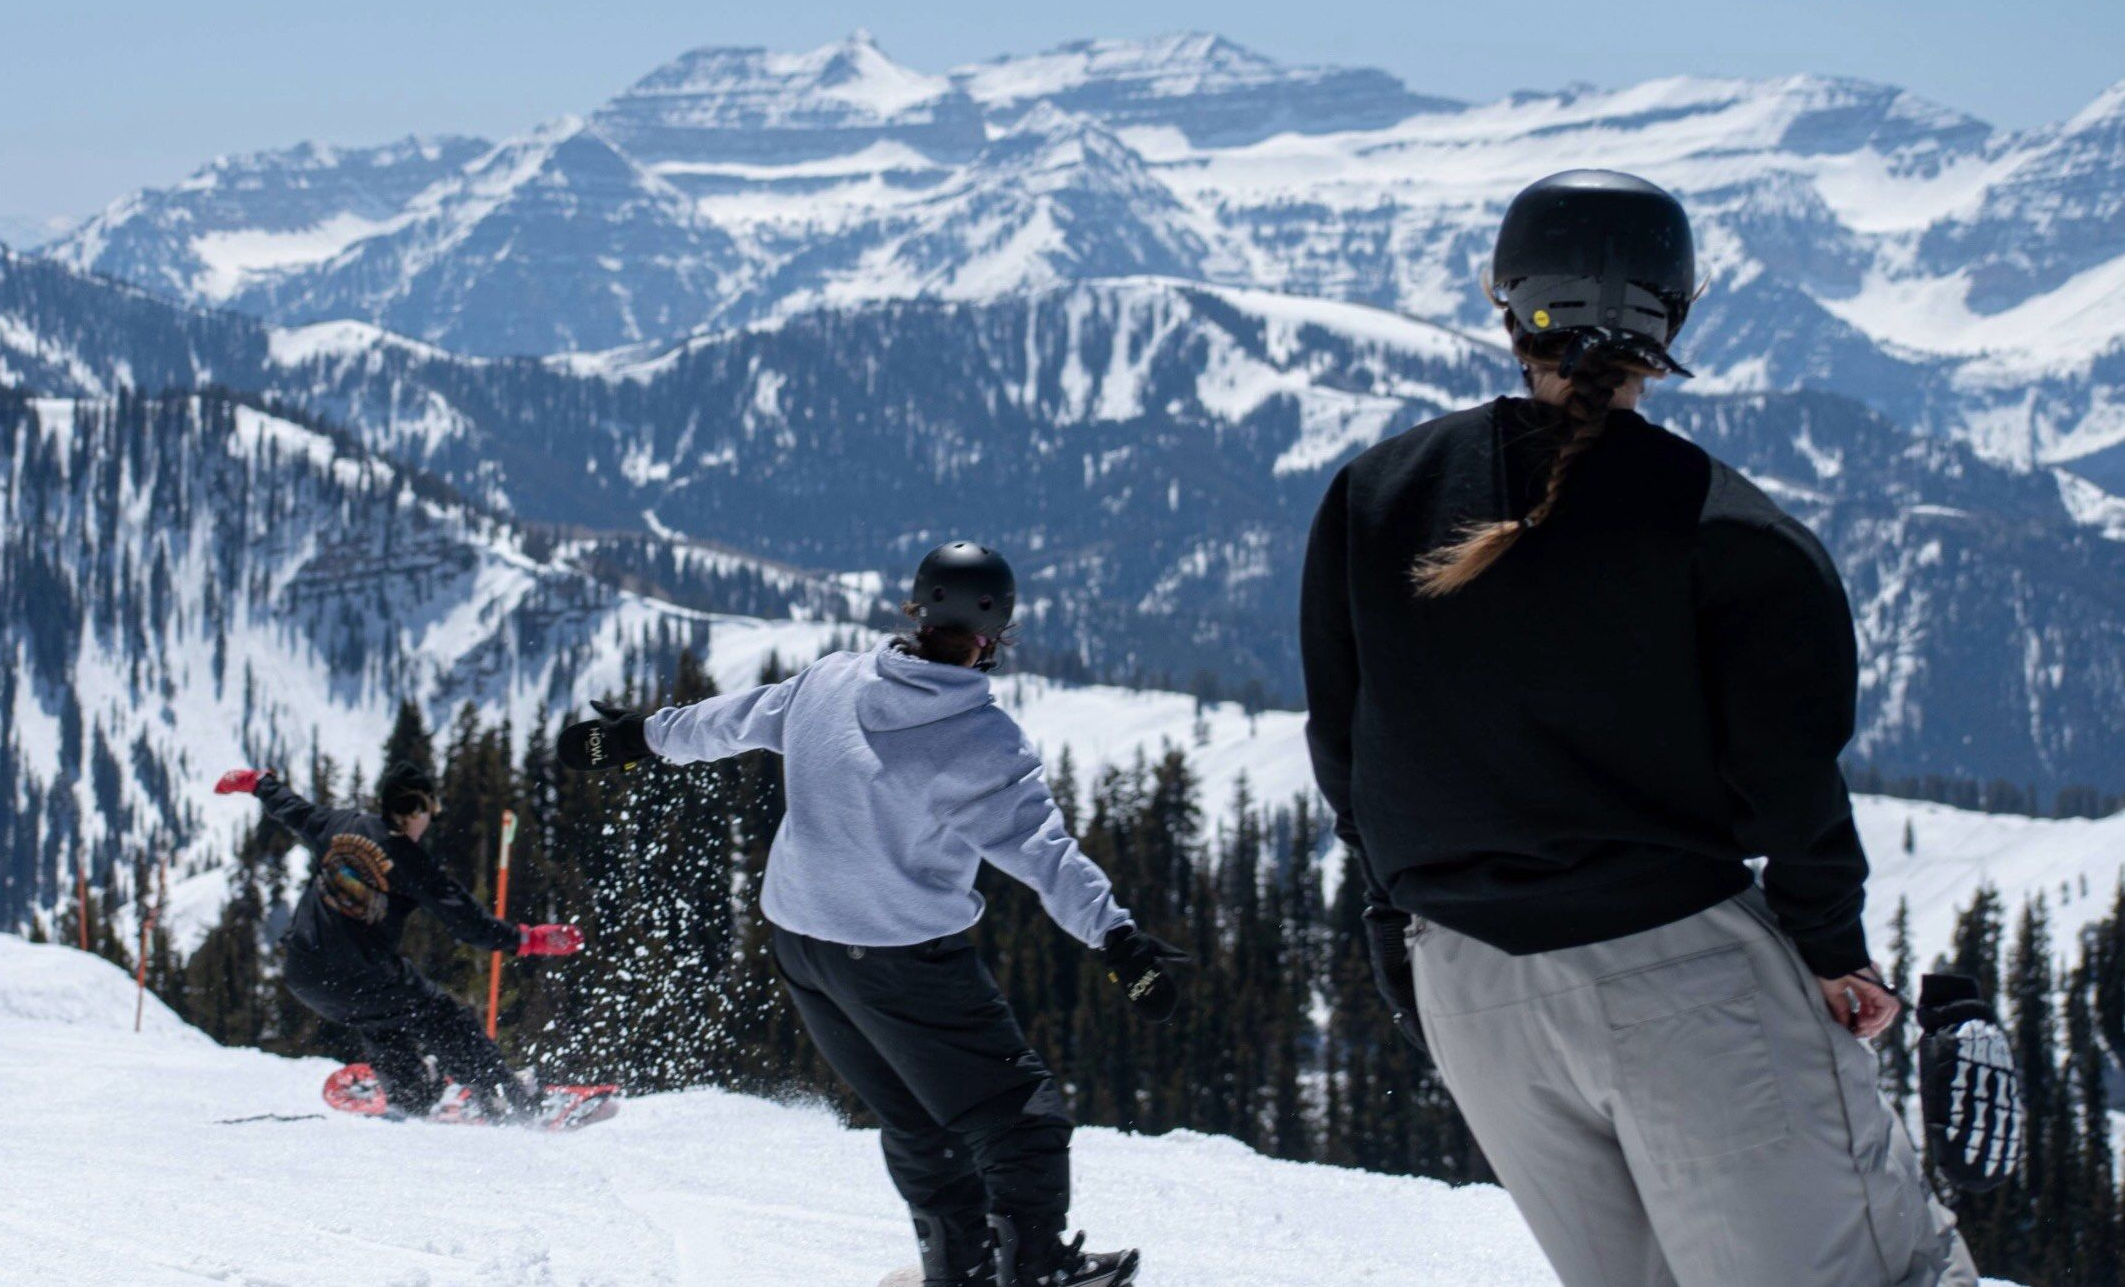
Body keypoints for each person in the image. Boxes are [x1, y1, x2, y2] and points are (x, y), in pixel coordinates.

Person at [1300, 169, 1977, 1286]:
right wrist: (1828, 941)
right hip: (1680, 978)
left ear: (1506, 301)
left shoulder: (1375, 493)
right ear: (1679, 313)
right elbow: (1787, 774)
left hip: (1470, 987)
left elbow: (1347, 746)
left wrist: (1394, 921)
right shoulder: (1731, 526)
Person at [559, 542, 1182, 1287]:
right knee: (1021, 1115)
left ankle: (959, 1269)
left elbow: (724, 722)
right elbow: (1044, 853)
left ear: (915, 609)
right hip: (901, 957)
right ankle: (1038, 1271)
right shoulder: (982, 739)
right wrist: (1116, 938)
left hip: (802, 946)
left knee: (919, 1119)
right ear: (993, 636)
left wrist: (633, 737)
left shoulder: (831, 680)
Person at [212, 757, 585, 1121]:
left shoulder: (338, 824)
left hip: (303, 974)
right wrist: (530, 939)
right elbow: (470, 924)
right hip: (361, 977)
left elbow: (291, 809)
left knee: (382, 1017)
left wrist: (258, 783)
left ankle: (412, 1093)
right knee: (443, 1015)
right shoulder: (410, 860)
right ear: (418, 809)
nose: (432, 818)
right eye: (430, 808)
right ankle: (507, 1097)